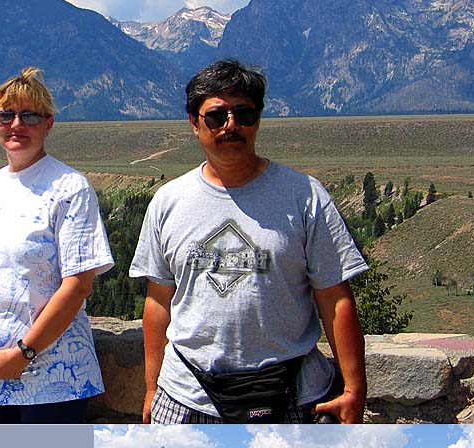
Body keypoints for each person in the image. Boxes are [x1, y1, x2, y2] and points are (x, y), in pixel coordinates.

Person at [130, 58, 368, 424]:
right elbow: (159, 299)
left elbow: (334, 296)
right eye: (216, 116)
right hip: (186, 394)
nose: (231, 126)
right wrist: (151, 388)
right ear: (194, 123)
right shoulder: (168, 201)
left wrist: (354, 390)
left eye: (244, 114)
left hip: (294, 392)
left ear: (258, 119)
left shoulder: (305, 196)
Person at [0, 67, 114, 423]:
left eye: (29, 115)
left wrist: (24, 352)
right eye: (6, 115)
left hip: (55, 377)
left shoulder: (70, 188)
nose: (16, 124)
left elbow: (77, 285)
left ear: (48, 123)